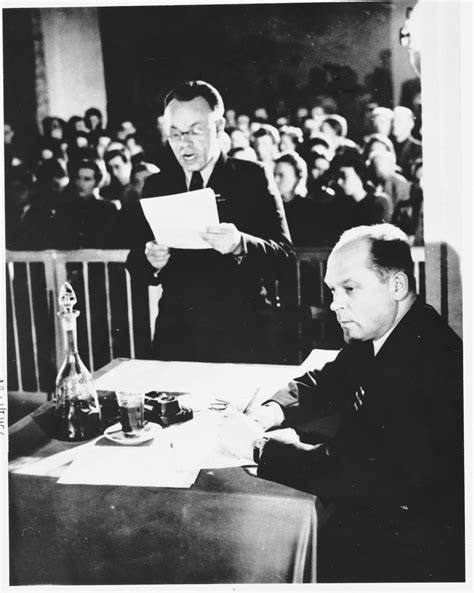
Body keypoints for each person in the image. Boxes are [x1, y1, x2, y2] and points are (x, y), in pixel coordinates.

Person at [219, 224, 464, 582]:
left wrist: (258, 448)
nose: (335, 303)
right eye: (333, 290)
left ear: (396, 285)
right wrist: (268, 412)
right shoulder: (390, 331)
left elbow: (358, 472)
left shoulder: (426, 358)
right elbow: (326, 380)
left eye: (349, 288)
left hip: (414, 553)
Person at [126, 80, 293, 363]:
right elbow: (135, 264)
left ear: (219, 128)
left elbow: (284, 257)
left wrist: (240, 244)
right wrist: (151, 260)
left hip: (241, 335)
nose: (184, 143)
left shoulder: (251, 177)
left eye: (195, 131)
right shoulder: (158, 185)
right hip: (177, 336)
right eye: (176, 133)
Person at [49, 159, 119, 249]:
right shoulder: (65, 209)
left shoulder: (108, 209)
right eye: (78, 178)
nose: (81, 183)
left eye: (87, 179)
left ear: (96, 182)